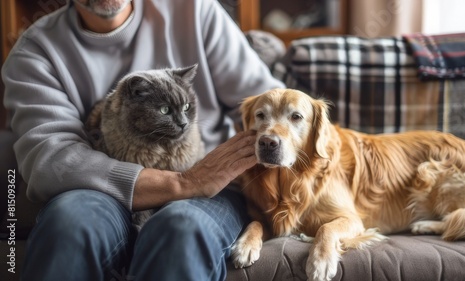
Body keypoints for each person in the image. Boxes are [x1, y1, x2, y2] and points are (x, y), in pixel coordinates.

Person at [2, 0, 285, 280]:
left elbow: (276, 108)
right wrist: (183, 182)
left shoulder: (194, 9)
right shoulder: (34, 51)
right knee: (67, 226)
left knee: (180, 229)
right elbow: (50, 161)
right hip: (99, 191)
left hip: (210, 185)